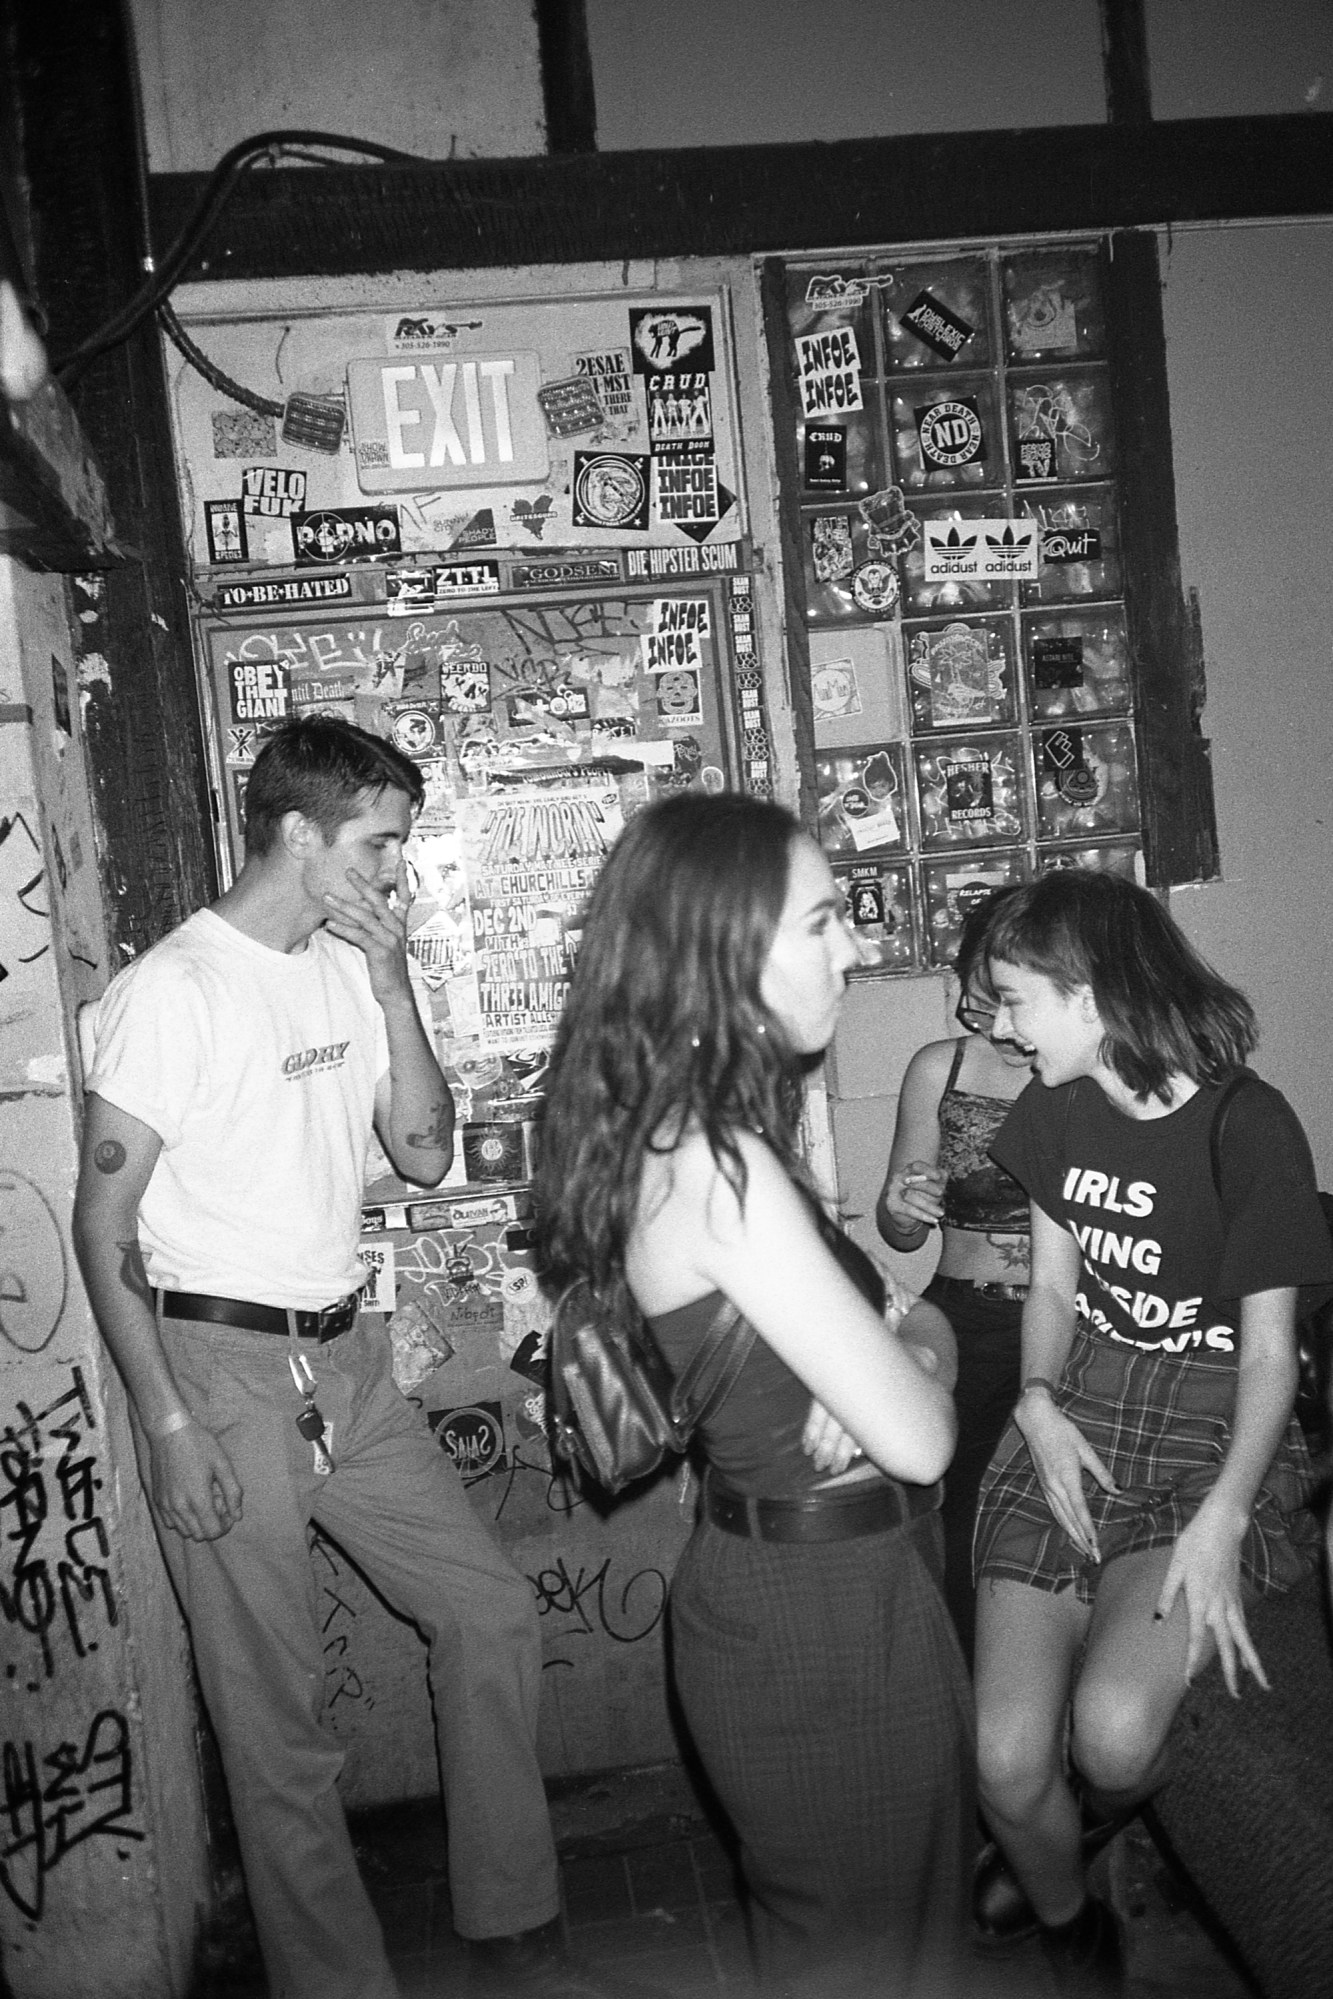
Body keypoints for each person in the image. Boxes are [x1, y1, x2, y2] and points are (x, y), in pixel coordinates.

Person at [72, 715, 636, 1999]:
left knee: (485, 1609)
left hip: (349, 1364)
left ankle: (513, 1927)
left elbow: (428, 1153)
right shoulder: (177, 989)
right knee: (281, 1727)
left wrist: (393, 985)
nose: (396, 871)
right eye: (379, 844)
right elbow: (102, 1221)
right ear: (297, 833)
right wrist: (165, 1427)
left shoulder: (342, 965)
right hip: (214, 1369)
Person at [535, 791, 976, 1999]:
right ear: (726, 951)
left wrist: (895, 1344)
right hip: (822, 1621)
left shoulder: (685, 1129)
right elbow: (924, 1434)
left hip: (809, 1591)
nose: (858, 946)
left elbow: (892, 1319)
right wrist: (914, 1361)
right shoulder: (722, 1167)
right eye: (824, 919)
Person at [970, 869, 1333, 1996]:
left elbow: (1270, 1355)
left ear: (1089, 996)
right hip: (1075, 1402)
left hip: (1204, 1414)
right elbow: (1051, 1290)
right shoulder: (1050, 1109)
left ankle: (1093, 1819)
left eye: (1014, 997)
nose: (996, 1023)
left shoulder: (1247, 1121)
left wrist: (1227, 1515)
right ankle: (1071, 1922)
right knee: (1002, 1759)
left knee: (1114, 1736)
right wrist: (1032, 1399)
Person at [877, 888, 1031, 1662]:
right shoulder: (941, 1066)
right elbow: (897, 1229)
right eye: (971, 996)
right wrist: (906, 1204)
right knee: (959, 1523)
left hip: (1073, 1322)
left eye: (1000, 996)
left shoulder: (1086, 1063)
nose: (988, 1019)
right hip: (965, 1320)